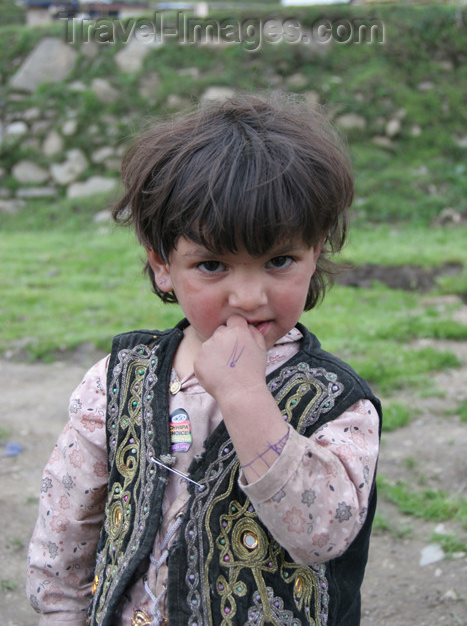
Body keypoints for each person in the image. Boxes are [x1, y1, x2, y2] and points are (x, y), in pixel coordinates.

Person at [27, 94, 381, 626]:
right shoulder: (116, 381)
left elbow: (322, 535)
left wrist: (245, 397)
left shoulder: (337, 405)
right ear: (164, 265)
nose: (246, 296)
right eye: (212, 265)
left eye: (278, 260)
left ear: (317, 253)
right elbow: (66, 526)